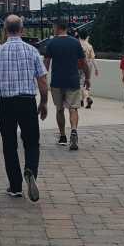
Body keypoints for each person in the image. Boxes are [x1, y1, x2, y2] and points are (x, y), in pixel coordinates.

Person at [0, 14, 48, 202]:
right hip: (27, 101)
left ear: (5, 30)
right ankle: (30, 171)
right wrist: (44, 102)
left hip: (7, 103)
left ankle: (15, 186)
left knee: (9, 144)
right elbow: (43, 80)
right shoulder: (32, 51)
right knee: (31, 142)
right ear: (22, 30)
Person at [43, 21, 89, 150]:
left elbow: (46, 63)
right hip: (73, 80)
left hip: (57, 81)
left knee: (59, 109)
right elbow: (84, 62)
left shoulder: (51, 43)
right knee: (73, 108)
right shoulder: (75, 42)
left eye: (53, 27)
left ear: (57, 28)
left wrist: (43, 78)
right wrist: (88, 78)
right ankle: (73, 130)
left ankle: (63, 136)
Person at [78, 30, 99, 109]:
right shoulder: (89, 46)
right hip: (88, 66)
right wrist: (96, 69)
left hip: (78, 66)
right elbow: (93, 59)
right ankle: (82, 100)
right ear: (86, 36)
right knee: (87, 82)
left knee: (80, 84)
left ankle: (86, 98)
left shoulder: (76, 44)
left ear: (79, 36)